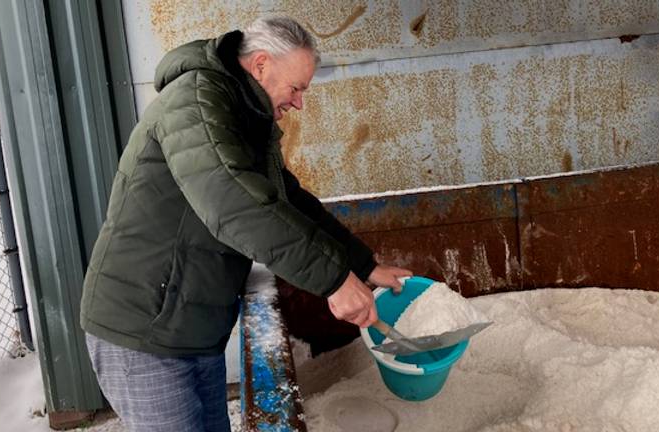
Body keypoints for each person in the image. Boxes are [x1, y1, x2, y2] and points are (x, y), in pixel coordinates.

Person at [80, 16, 411, 432]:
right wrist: (333, 281)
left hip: (193, 328)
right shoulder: (195, 102)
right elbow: (235, 204)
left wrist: (362, 265)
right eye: (296, 88)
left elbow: (288, 202)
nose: (299, 103)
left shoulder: (242, 116)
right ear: (260, 66)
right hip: (145, 330)